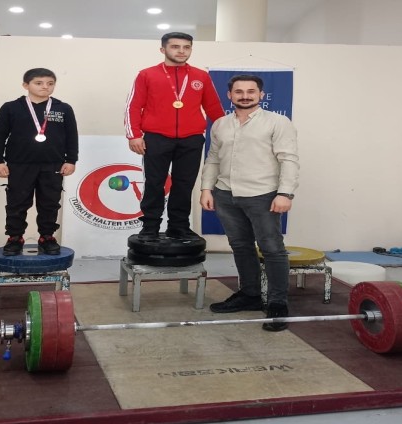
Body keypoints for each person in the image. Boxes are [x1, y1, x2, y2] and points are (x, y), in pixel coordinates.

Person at [200, 74, 299, 332]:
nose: (245, 96)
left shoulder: (278, 122)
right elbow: (213, 158)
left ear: (261, 95)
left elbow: (288, 159)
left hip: (263, 195)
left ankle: (277, 303)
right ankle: (250, 295)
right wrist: (206, 188)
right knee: (241, 246)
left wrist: (285, 194)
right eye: (239, 91)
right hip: (225, 194)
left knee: (272, 249)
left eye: (251, 91)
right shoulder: (220, 124)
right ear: (229, 95)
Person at [125, 32, 224, 241]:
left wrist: (227, 135)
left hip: (191, 138)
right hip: (157, 137)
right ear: (163, 49)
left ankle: (178, 226)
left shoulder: (201, 76)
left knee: (184, 184)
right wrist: (134, 135)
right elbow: (133, 106)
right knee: (154, 183)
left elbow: (214, 108)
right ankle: (150, 226)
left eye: (186, 47)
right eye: (175, 47)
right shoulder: (147, 74)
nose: (181, 51)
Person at [0, 68, 78, 256]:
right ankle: (15, 237)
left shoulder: (63, 108)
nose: (45, 87)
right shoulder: (11, 108)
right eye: (39, 83)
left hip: (53, 164)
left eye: (50, 83)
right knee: (17, 202)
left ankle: (47, 237)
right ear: (26, 85)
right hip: (19, 164)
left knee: (50, 202)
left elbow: (72, 137)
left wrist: (71, 160)